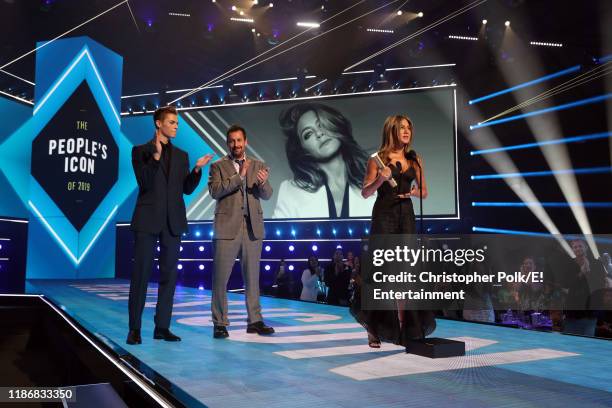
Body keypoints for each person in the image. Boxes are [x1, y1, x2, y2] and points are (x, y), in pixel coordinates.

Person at [127, 106, 213, 345]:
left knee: (169, 277)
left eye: (177, 123)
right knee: (141, 276)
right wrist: (155, 158)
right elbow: (144, 183)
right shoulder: (140, 151)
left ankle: (162, 327)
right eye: (172, 122)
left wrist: (196, 169)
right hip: (147, 220)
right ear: (158, 124)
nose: (176, 126)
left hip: (173, 222)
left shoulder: (182, 156)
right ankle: (134, 329)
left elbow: (185, 189)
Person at [351, 114, 436, 348]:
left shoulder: (414, 158)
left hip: (406, 216)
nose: (407, 131)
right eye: (402, 128)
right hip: (384, 217)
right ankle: (373, 328)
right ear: (391, 130)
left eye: (409, 127)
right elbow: (365, 192)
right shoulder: (378, 159)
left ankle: (402, 328)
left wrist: (412, 193)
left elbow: (425, 191)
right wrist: (381, 178)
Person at [209, 124, 275, 339]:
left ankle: (255, 321)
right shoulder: (218, 166)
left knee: (252, 279)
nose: (236, 144)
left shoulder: (258, 164)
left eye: (239, 140)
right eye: (232, 141)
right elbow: (215, 191)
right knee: (220, 279)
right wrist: (240, 176)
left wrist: (263, 183)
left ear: (245, 142)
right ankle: (220, 323)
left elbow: (266, 194)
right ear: (227, 143)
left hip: (252, 229)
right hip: (227, 227)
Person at [273, 102, 375, 218]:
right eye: (308, 134)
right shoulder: (290, 191)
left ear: (336, 125)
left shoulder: (378, 181)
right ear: (302, 149)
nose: (319, 134)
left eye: (321, 125)